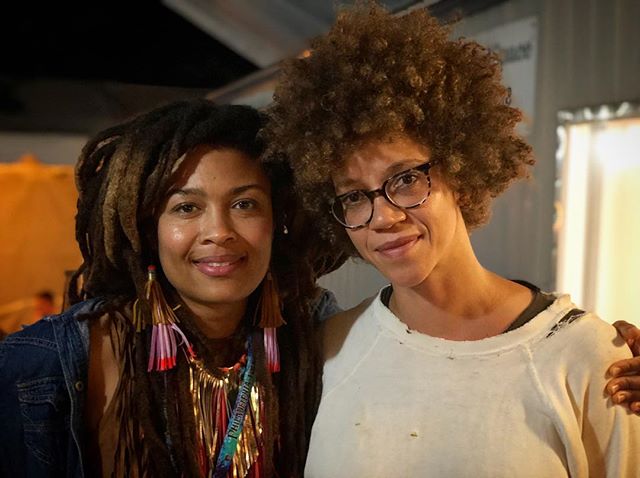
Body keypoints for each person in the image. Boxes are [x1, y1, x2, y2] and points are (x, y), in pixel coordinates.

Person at [264, 4, 640, 476]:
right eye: (355, 197)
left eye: (404, 179)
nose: (383, 216)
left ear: (460, 169)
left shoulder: (586, 356)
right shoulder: (329, 350)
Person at [0, 100, 340, 477]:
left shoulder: (319, 336)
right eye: (186, 208)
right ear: (146, 229)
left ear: (278, 222)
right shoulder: (45, 364)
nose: (219, 232)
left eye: (245, 204)